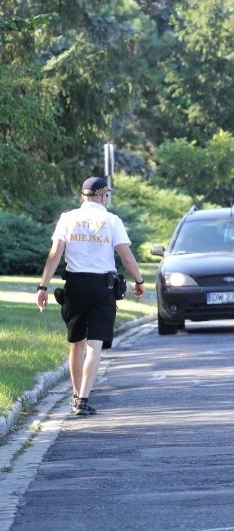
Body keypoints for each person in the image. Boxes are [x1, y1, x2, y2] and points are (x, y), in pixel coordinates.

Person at [35, 176, 145, 416]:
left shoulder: (68, 218)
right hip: (103, 288)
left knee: (76, 343)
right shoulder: (111, 220)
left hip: (75, 286)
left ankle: (75, 396)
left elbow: (55, 253)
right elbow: (126, 257)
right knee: (94, 345)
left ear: (82, 196)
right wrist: (139, 281)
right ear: (103, 196)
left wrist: (42, 287)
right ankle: (83, 399)